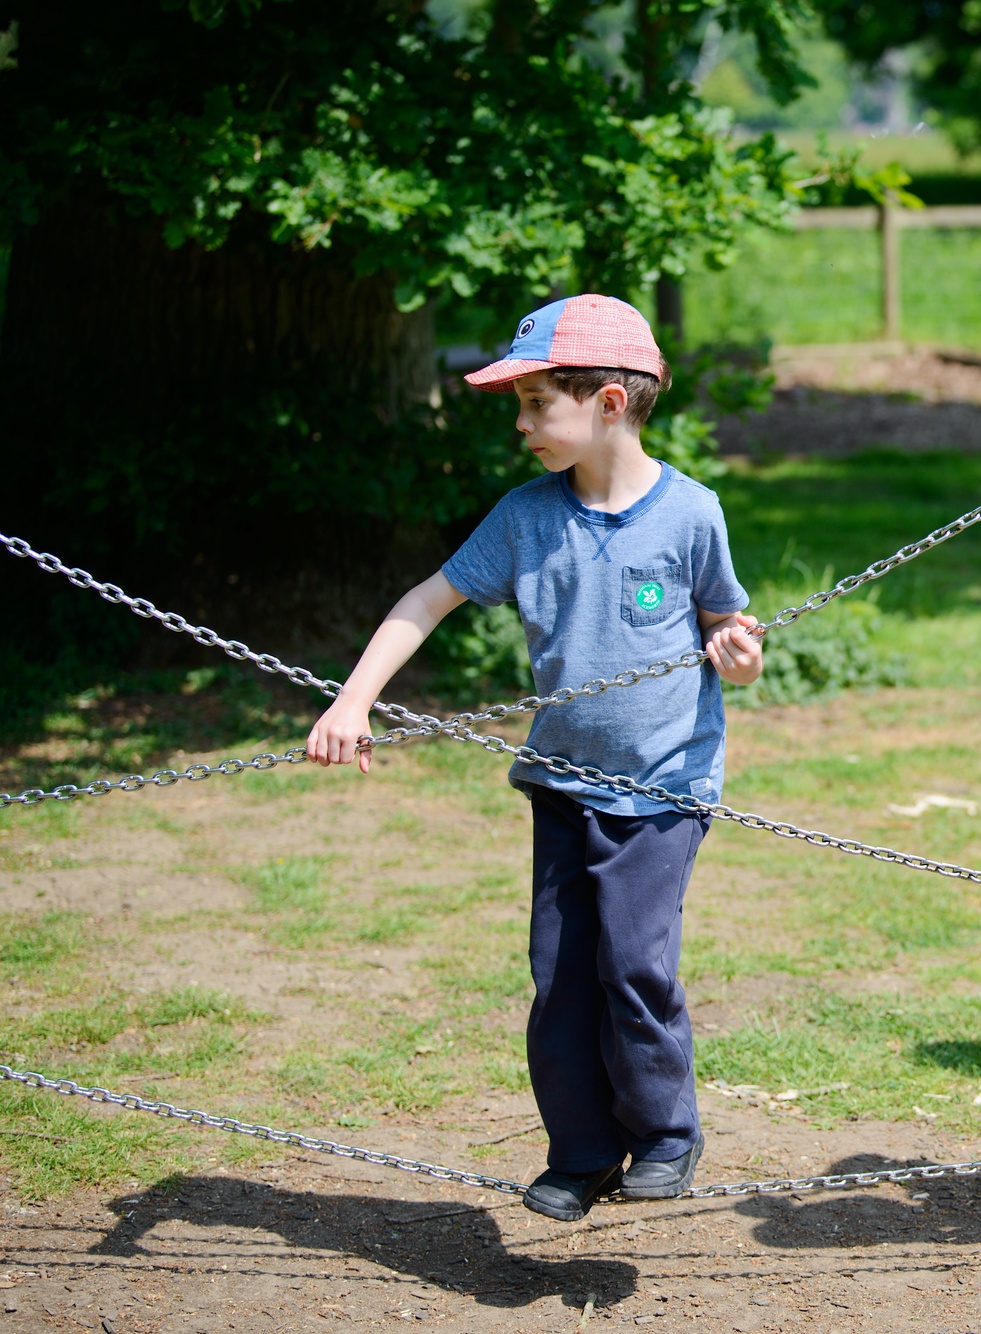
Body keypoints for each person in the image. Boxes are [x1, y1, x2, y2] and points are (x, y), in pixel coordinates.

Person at [305, 294, 764, 1220]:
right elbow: (426, 601)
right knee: (558, 978)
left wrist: (740, 656)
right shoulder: (523, 519)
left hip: (664, 789)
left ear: (608, 402)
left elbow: (727, 622)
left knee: (632, 965)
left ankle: (665, 1135)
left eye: (535, 403)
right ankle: (583, 1153)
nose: (520, 425)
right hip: (560, 784)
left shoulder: (690, 514)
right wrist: (354, 699)